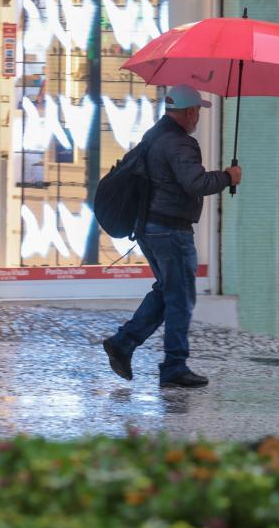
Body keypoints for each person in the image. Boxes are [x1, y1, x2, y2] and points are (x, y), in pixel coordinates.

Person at [103, 85, 242, 388]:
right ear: (190, 112)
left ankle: (123, 343)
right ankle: (174, 366)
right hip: (170, 230)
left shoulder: (154, 135)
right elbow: (195, 183)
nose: (198, 118)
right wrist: (227, 177)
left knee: (168, 291)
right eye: (198, 112)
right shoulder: (181, 143)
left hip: (149, 226)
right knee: (180, 298)